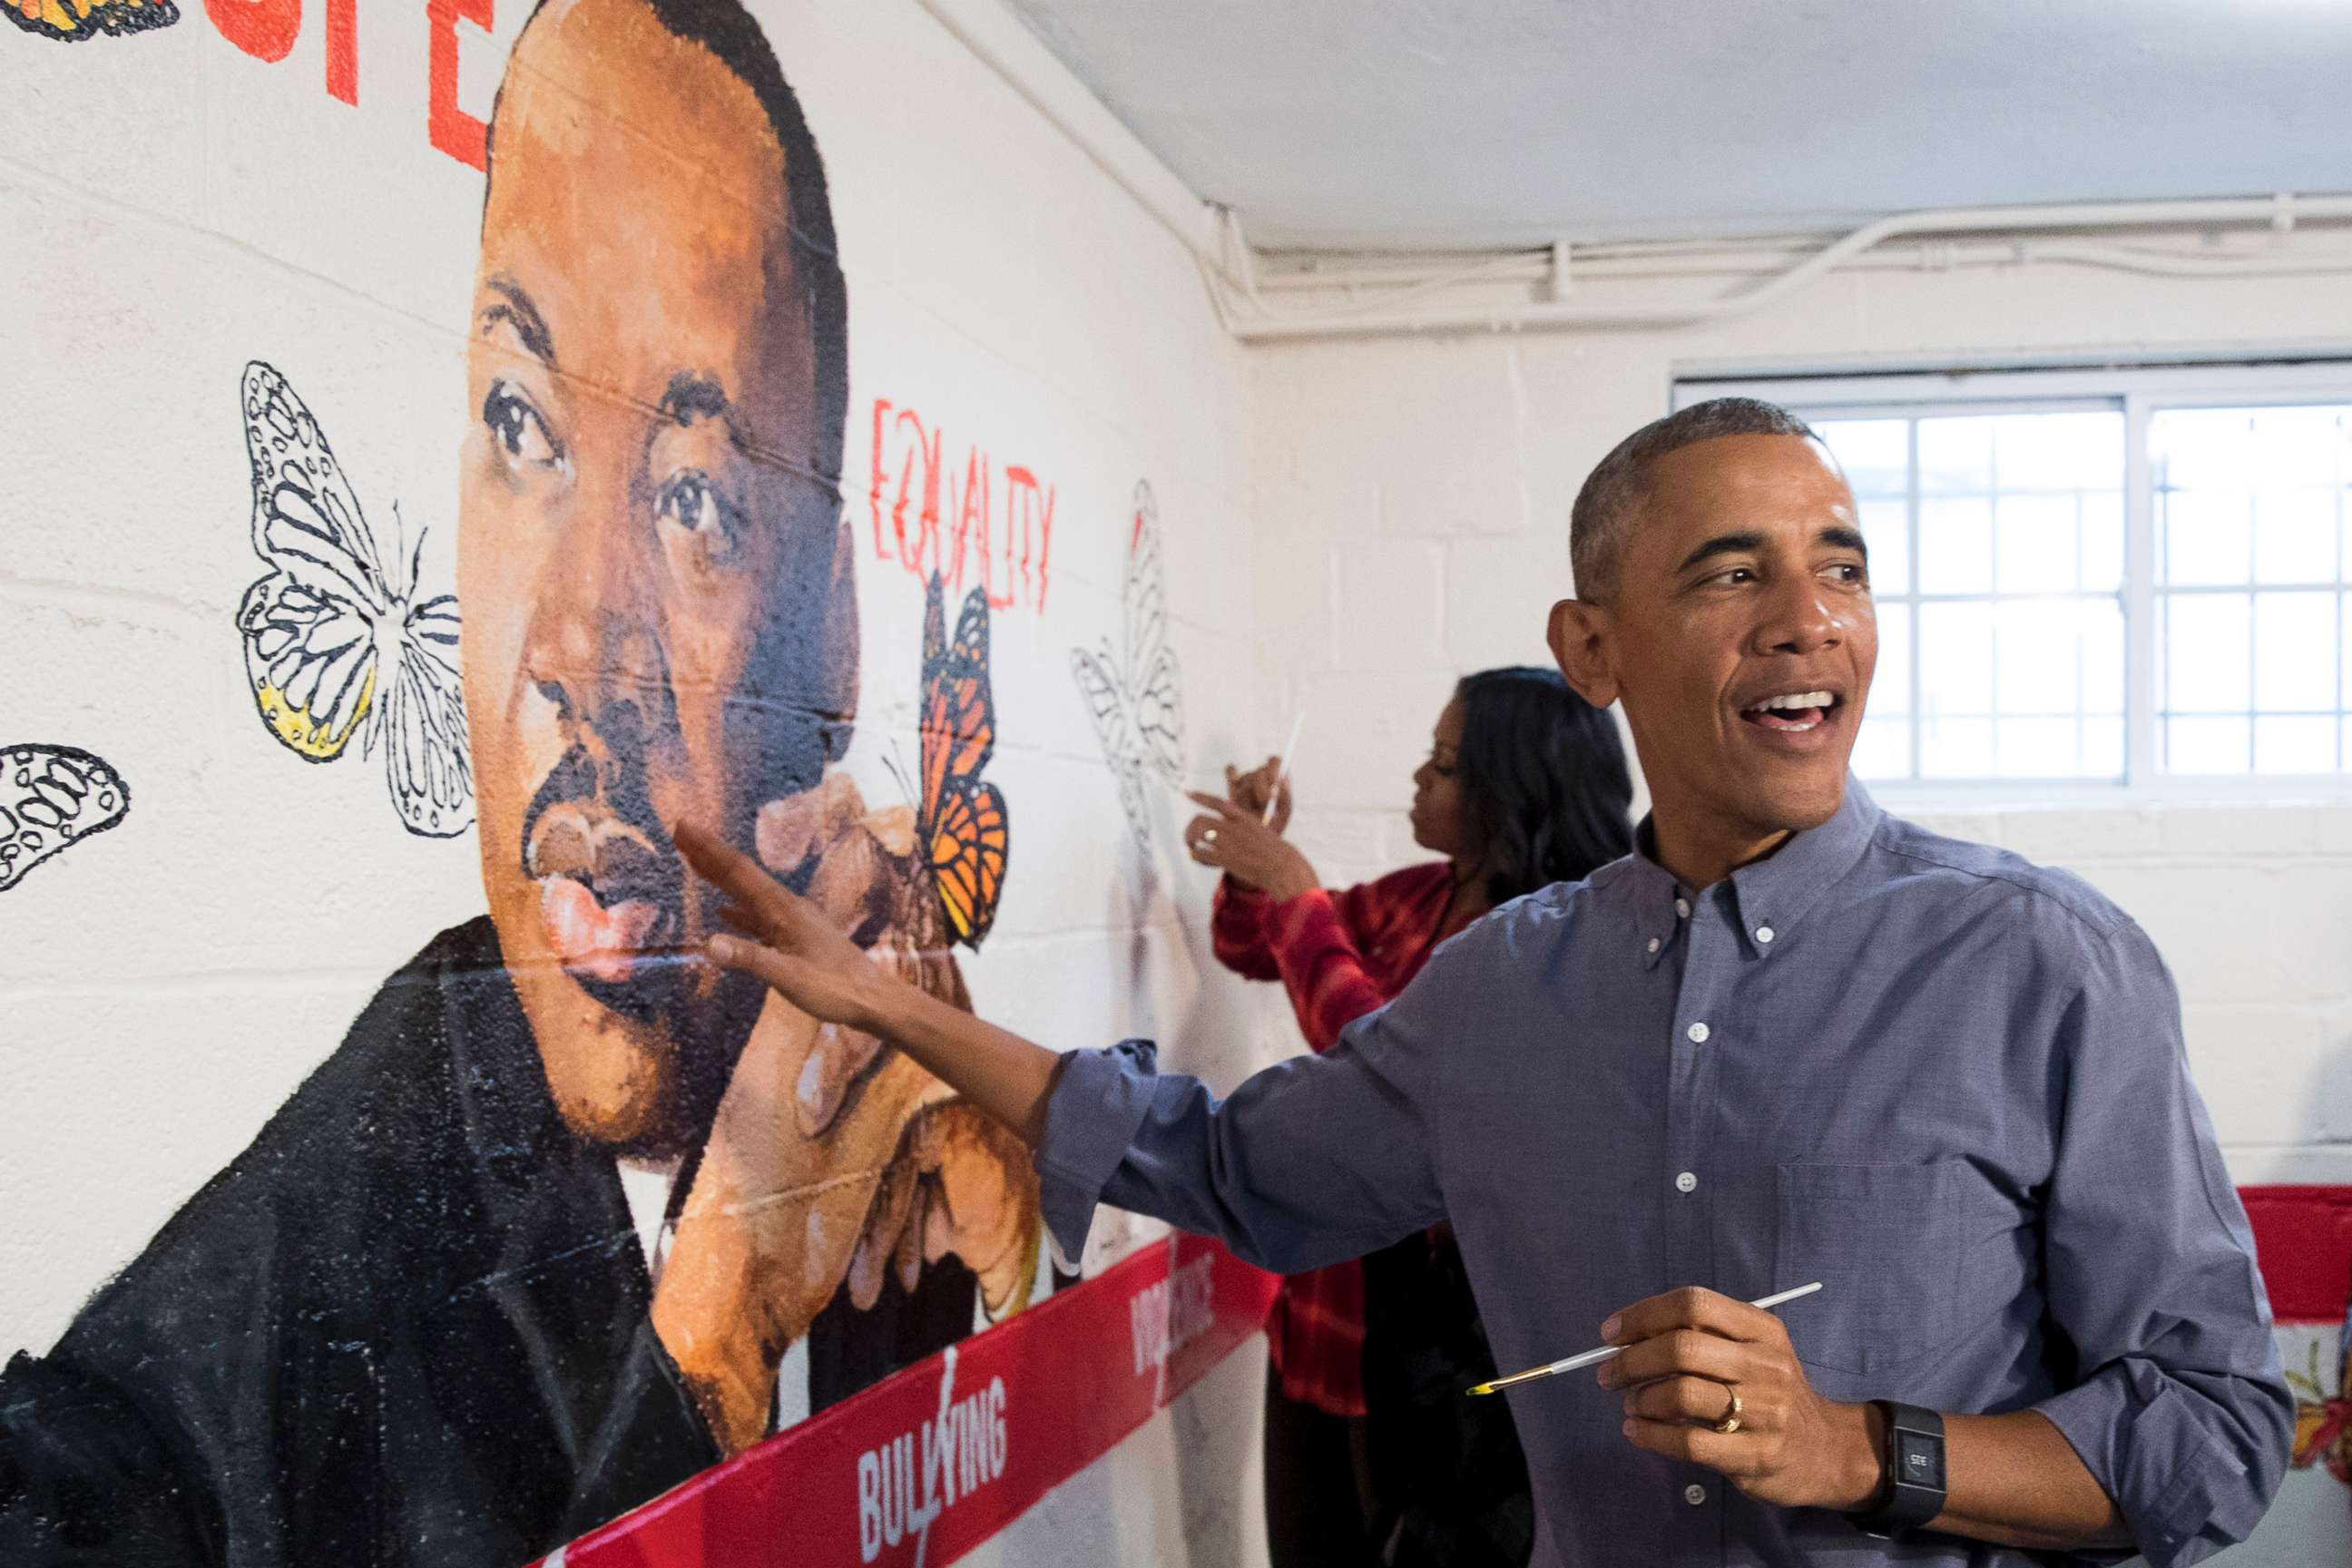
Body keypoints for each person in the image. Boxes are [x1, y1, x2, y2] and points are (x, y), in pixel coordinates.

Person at [681, 397, 2294, 1568]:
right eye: (1732, 574)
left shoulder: (2039, 963)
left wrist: (1862, 1448)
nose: (1809, 620)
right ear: (1590, 651)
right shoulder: (1499, 987)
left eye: (1841, 567)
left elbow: (2218, 1439)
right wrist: (887, 999)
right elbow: (1224, 1166)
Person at [0, 1, 1036, 1561]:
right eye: (519, 425)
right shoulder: (316, 1231)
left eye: (696, 498)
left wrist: (1026, 1272)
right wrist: (707, 1349)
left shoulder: (883, 1077)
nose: (570, 644)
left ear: (831, 636)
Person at [1187, 668, 1632, 1568]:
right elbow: (1254, 945)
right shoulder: (1417, 898)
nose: (1418, 781)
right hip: (1326, 1313)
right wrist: (1261, 866)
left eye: (1444, 764)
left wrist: (1299, 889)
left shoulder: (1553, 937)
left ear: (1510, 789)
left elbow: (1382, 1083)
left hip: (1451, 1355)